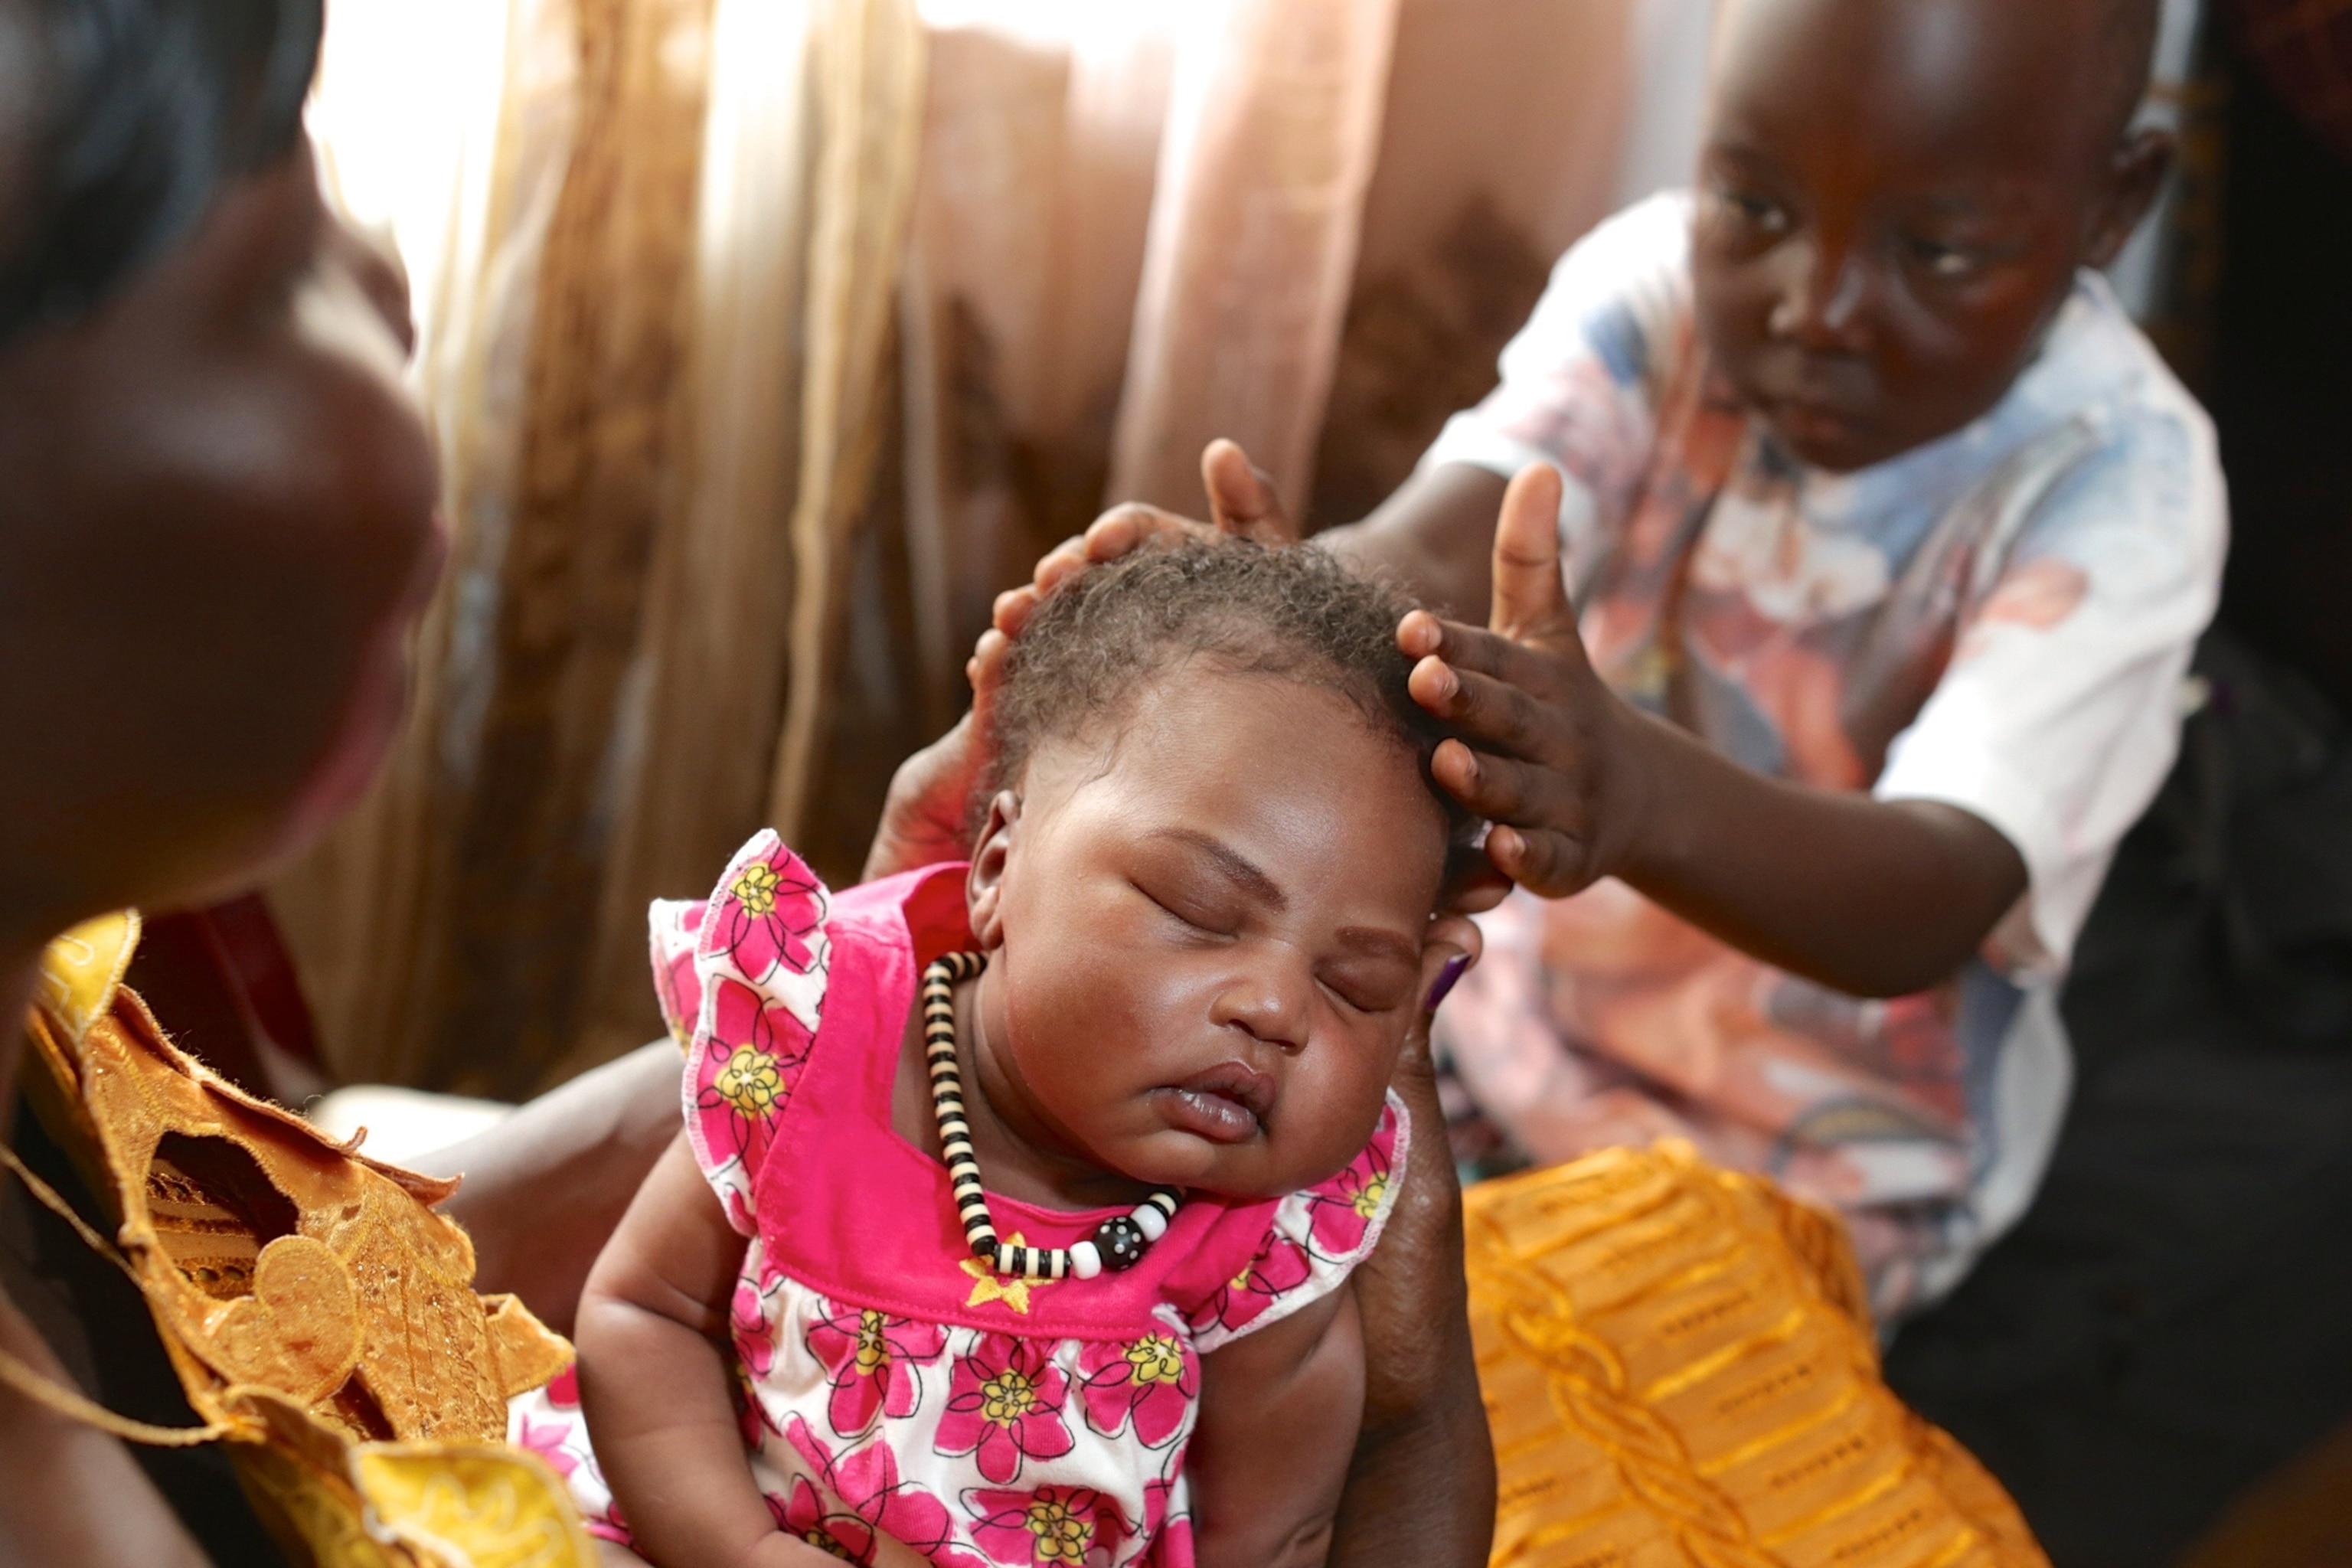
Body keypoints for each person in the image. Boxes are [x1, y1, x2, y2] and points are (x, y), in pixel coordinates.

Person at [0, 4, 1491, 1563]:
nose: (389, 282)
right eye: (272, 248)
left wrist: (892, 981)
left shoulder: (66, 1114)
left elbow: (364, 1288)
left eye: (1359, 972)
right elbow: (614, 1300)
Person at [1035, 0, 2225, 1319]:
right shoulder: (1656, 292)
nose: (1816, 307)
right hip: (1497, 1033)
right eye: (1754, 206)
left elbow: (1934, 894)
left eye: (1937, 250)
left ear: (2115, 206)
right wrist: (1271, 605)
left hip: (1810, 1164)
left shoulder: (2123, 489)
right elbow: (1445, 534)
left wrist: (1637, 793)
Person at [511, 541, 1479, 1567]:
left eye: (1357, 986)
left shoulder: (1265, 1239)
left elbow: (1274, 1533)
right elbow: (643, 1314)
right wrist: (740, 1551)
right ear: (997, 868)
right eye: (1199, 909)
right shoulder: (818, 1041)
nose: (1278, 1006)